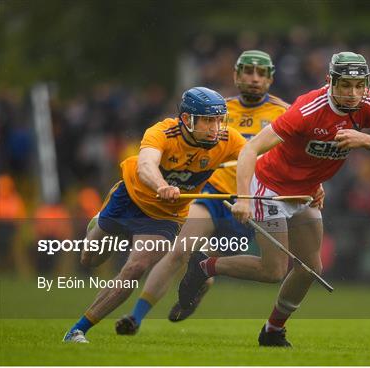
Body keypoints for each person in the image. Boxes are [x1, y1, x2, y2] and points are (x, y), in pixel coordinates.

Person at [131, 51, 370, 347]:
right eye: (344, 85)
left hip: (304, 192)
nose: (352, 93)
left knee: (311, 268)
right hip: (271, 187)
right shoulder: (307, 109)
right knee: (274, 270)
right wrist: (244, 199)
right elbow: (251, 150)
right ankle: (205, 267)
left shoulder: (369, 103)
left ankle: (272, 330)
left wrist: (366, 139)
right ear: (330, 81)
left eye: (359, 85)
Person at [63, 87, 246, 343]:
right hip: (130, 199)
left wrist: (304, 187)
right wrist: (162, 185)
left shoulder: (229, 140)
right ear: (186, 120)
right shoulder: (161, 132)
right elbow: (147, 164)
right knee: (89, 259)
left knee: (136, 266)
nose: (215, 127)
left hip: (165, 215)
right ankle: (99, 222)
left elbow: (259, 160)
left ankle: (77, 329)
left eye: (218, 119)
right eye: (207, 120)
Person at [166, 50, 290, 322]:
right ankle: (138, 315)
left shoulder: (284, 112)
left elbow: (300, 158)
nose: (254, 79)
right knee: (180, 248)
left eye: (261, 73)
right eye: (247, 71)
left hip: (257, 199)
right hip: (214, 193)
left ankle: (203, 277)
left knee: (259, 265)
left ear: (270, 79)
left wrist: (315, 184)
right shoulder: (216, 110)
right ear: (235, 75)